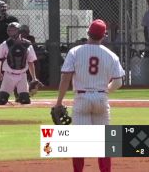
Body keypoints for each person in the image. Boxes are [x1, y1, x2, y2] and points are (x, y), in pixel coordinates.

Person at [53, 19, 125, 172]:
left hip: (82, 99)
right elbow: (118, 82)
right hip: (101, 99)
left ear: (88, 33)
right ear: (103, 36)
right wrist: (106, 90)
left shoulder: (75, 51)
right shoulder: (111, 55)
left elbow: (66, 78)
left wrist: (59, 102)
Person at [0, 22, 38, 105]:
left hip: (22, 75)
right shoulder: (5, 44)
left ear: (19, 31)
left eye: (14, 30)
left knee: (25, 101)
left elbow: (31, 62)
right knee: (2, 101)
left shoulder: (27, 44)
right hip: (8, 75)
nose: (11, 32)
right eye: (10, 31)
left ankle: (21, 96)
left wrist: (34, 78)